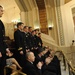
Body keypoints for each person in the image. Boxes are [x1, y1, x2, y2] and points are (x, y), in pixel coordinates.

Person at [0, 5, 10, 75]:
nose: (2, 12)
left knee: (2, 67)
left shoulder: (0, 22)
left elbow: (2, 38)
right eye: (1, 11)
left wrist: (6, 48)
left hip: (2, 49)